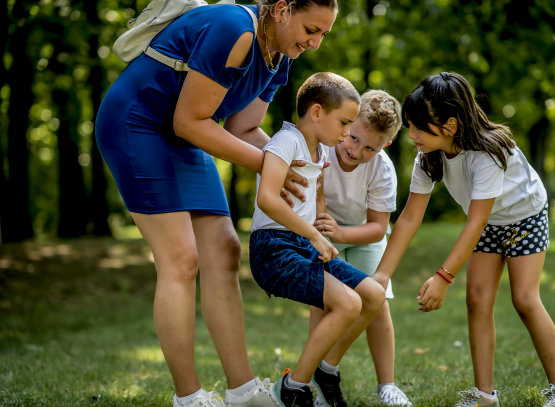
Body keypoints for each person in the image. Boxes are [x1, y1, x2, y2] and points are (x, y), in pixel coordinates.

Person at [95, 1, 339, 406]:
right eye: (310, 29)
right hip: (138, 123)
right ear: (281, 9)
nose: (313, 43)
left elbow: (243, 128)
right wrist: (268, 165)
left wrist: (290, 166)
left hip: (183, 131)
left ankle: (242, 391)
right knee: (181, 259)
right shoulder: (234, 27)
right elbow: (190, 121)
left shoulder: (281, 55)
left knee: (224, 251)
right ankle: (189, 398)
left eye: (322, 35)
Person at [372, 72, 555, 407]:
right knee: (477, 301)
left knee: (524, 299)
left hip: (524, 217)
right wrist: (382, 274)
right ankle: (484, 396)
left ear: (450, 125)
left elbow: (475, 222)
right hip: (486, 223)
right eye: (410, 126)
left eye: (419, 127)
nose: (412, 136)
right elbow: (409, 217)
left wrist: (443, 276)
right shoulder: (428, 157)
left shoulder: (487, 154)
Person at [249, 72, 386, 407]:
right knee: (348, 303)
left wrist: (321, 219)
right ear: (316, 112)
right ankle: (294, 387)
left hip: (303, 245)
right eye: (344, 123)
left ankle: (325, 368)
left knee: (372, 294)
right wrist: (311, 233)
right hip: (273, 248)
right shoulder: (286, 141)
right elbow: (267, 198)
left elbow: (317, 193)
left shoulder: (319, 148)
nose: (346, 133)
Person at [308, 90, 412, 407]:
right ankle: (313, 380)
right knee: (321, 303)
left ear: (386, 146)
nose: (356, 150)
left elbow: (379, 227)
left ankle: (387, 385)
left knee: (377, 303)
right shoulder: (322, 147)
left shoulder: (381, 169)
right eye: (353, 138)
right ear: (347, 124)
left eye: (370, 147)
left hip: (364, 237)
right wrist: (327, 232)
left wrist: (342, 233)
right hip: (322, 235)